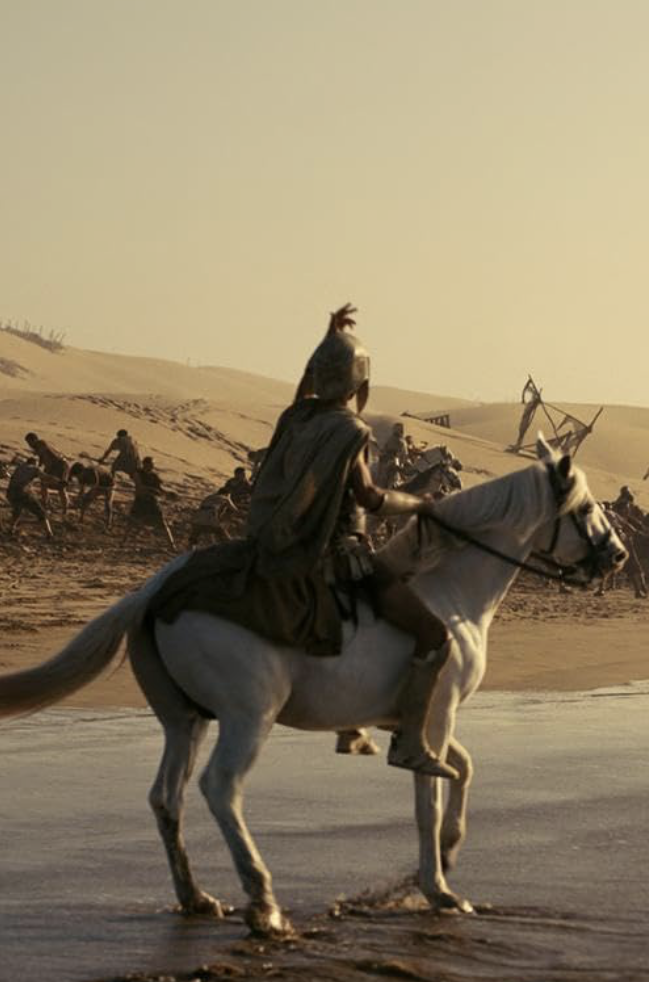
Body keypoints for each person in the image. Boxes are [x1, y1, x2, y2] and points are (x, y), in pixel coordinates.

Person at [148, 305, 458, 779]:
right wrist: (421, 503)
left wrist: (326, 342)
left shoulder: (295, 418)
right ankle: (411, 744)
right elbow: (371, 498)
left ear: (316, 376)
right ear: (360, 384)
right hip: (340, 554)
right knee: (433, 636)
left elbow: (304, 393)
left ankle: (351, 727)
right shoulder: (350, 431)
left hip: (279, 543)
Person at [128, 456, 176, 549]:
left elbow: (160, 489)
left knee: (163, 524)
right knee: (132, 523)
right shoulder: (138, 473)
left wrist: (168, 493)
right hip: (140, 502)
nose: (151, 467)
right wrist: (152, 490)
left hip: (152, 502)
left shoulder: (154, 476)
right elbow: (140, 487)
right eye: (150, 465)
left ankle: (172, 545)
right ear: (144, 464)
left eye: (152, 465)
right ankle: (123, 542)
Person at [7, 457, 55, 538]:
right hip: (23, 492)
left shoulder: (19, 467)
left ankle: (11, 528)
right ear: (35, 463)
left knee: (17, 510)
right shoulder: (34, 469)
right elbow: (45, 477)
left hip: (11, 492)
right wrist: (58, 481)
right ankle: (49, 533)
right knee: (41, 512)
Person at [25, 432, 73, 510]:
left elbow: (45, 456)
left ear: (34, 440)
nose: (29, 445)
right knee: (44, 484)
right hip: (53, 467)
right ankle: (45, 503)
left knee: (61, 487)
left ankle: (65, 509)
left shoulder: (41, 444)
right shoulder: (38, 448)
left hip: (60, 465)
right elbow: (41, 461)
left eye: (29, 442)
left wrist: (45, 472)